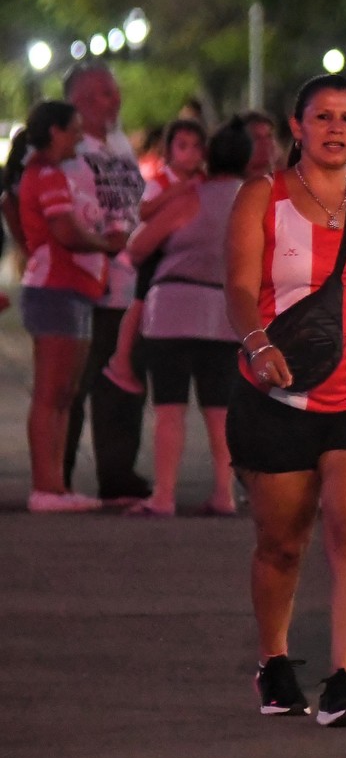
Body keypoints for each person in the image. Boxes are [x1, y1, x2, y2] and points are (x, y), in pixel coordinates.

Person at [225, 74, 346, 727]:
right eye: (323, 116)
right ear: (297, 125)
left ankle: (344, 680)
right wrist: (255, 343)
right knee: (281, 542)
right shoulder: (263, 197)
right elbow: (239, 288)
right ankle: (273, 659)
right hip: (278, 392)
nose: (336, 128)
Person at [7, 101, 129, 512]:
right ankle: (45, 486)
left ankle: (56, 486)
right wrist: (106, 245)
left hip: (72, 289)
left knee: (64, 393)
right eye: (74, 129)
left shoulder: (50, 173)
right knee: (51, 392)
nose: (80, 136)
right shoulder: (46, 174)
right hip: (55, 289)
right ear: (54, 131)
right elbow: (64, 231)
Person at [124, 119, 248, 517]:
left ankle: (163, 495)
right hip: (226, 313)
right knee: (219, 409)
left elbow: (138, 247)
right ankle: (224, 494)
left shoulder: (191, 197)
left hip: (172, 308)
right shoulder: (255, 203)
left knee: (170, 407)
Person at [61, 63, 149, 504]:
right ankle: (57, 476)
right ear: (76, 100)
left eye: (114, 93)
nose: (114, 101)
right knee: (73, 385)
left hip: (127, 285)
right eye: (102, 94)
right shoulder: (67, 150)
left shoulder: (119, 145)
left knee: (122, 381)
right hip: (84, 284)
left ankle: (118, 474)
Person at [102, 119, 209, 395]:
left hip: (185, 253)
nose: (190, 153)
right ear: (169, 150)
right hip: (156, 251)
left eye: (196, 147)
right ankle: (121, 358)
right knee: (138, 302)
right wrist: (174, 194)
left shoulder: (203, 181)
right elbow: (144, 211)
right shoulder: (162, 180)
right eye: (182, 146)